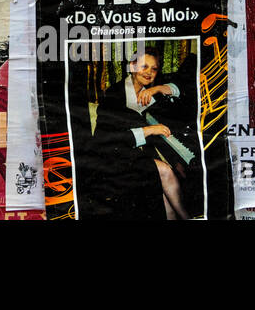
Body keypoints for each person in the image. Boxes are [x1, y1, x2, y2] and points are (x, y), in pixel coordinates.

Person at [82, 50, 194, 220]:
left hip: (138, 152)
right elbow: (108, 139)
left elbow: (180, 89)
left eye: (154, 69)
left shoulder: (149, 88)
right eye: (144, 66)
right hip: (113, 158)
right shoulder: (114, 94)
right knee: (164, 171)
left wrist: (157, 89)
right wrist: (149, 130)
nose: (149, 72)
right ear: (132, 67)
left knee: (168, 181)